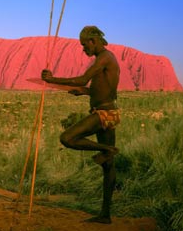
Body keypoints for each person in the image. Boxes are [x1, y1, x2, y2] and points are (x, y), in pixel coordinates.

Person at [41, 25, 120, 224]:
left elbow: (83, 79)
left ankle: (107, 148)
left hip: (102, 114)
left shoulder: (104, 57)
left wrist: (52, 79)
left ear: (93, 41)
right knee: (108, 166)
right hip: (109, 112)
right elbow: (103, 88)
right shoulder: (106, 59)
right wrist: (83, 92)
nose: (83, 49)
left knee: (67, 138)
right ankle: (105, 215)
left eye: (85, 45)